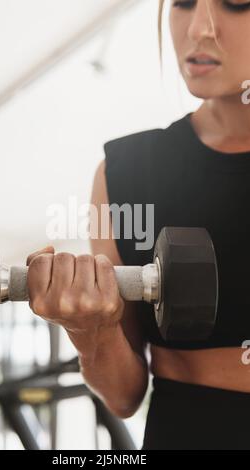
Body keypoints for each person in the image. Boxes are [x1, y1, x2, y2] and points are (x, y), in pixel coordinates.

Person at [26, 0, 250, 449]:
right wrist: (93, 330)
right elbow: (124, 396)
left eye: (237, 4)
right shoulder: (124, 171)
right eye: (184, 2)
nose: (200, 29)